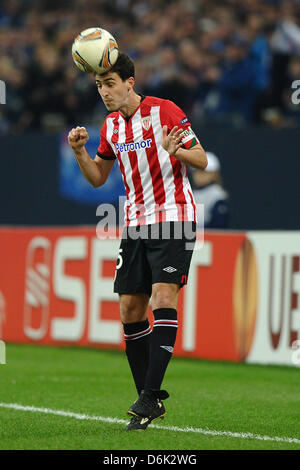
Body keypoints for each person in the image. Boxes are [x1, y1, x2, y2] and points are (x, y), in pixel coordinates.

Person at [68, 52, 207, 431]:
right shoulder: (110, 127)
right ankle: (148, 397)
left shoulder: (164, 111)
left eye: (110, 84)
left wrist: (177, 150)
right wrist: (80, 151)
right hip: (134, 223)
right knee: (130, 309)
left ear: (130, 82)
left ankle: (148, 397)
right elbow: (98, 178)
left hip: (175, 217)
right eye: (99, 85)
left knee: (163, 298)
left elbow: (203, 159)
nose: (104, 92)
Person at [191, 151, 230, 229]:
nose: (199, 175)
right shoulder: (191, 194)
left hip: (211, 239)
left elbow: (219, 225)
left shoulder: (218, 195)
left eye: (204, 172)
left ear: (214, 174)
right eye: (197, 172)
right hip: (194, 238)